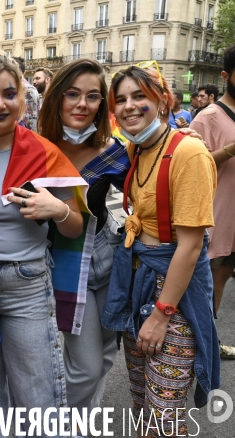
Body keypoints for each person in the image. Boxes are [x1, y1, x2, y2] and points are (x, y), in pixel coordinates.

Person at [0, 54, 85, 437]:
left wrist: (58, 210)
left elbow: (77, 227)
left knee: (38, 398)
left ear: (23, 99)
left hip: (26, 283)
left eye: (9, 93)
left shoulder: (43, 152)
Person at [104, 62, 220, 437]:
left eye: (140, 96)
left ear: (164, 101)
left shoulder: (189, 153)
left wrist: (161, 314)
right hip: (138, 280)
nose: (129, 106)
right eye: (120, 99)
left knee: (165, 416)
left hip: (171, 294)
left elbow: (189, 247)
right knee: (143, 404)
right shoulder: (137, 149)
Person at [38, 58, 129, 435]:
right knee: (86, 365)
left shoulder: (116, 151)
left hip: (110, 258)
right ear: (57, 97)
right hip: (63, 267)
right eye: (72, 94)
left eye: (92, 96)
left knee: (105, 357)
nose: (82, 104)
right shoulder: (36, 148)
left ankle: (81, 426)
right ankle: (49, 425)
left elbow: (141, 196)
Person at [190, 42, 235, 360]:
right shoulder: (208, 117)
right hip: (216, 222)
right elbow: (193, 167)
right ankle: (203, 348)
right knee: (209, 289)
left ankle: (207, 342)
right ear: (225, 75)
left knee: (221, 282)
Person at [13, 56, 40, 132]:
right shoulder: (34, 89)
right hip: (32, 134)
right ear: (24, 72)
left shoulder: (11, 88)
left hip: (17, 134)